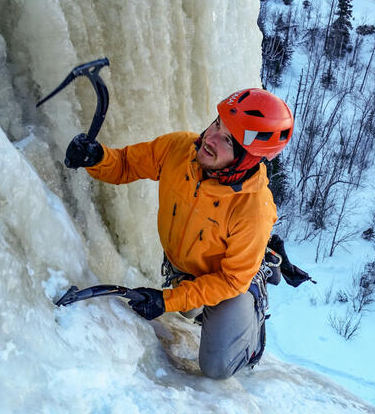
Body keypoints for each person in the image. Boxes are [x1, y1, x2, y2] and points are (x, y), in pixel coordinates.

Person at [64, 88, 294, 379]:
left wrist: (166, 300)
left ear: (246, 159)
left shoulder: (253, 210)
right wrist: (96, 158)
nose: (209, 139)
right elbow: (125, 164)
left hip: (232, 282)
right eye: (217, 124)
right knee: (188, 312)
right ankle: (199, 302)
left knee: (218, 367)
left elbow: (230, 280)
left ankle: (256, 294)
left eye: (226, 140)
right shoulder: (180, 149)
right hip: (188, 269)